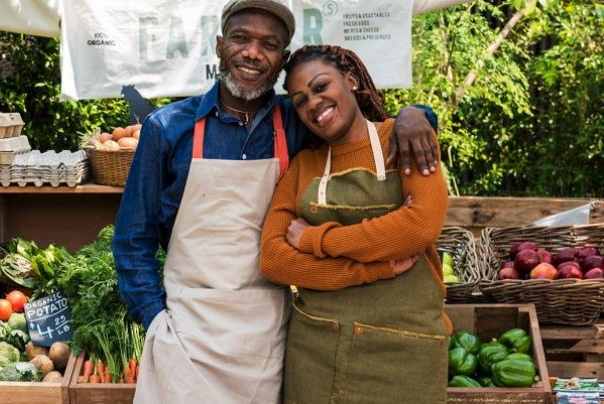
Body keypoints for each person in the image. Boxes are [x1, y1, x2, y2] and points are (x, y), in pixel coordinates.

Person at [112, 1, 439, 402]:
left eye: (268, 45)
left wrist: (416, 114)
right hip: (185, 334)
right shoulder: (168, 128)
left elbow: (357, 120)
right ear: (220, 46)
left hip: (266, 340)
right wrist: (154, 319)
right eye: (241, 38)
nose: (252, 52)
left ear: (282, 60)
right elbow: (132, 238)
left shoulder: (298, 122)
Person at [259, 44, 451, 404]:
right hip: (315, 353)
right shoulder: (303, 166)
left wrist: (314, 240)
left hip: (402, 353)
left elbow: (420, 226)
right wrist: (370, 269)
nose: (313, 103)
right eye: (300, 101)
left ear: (351, 80)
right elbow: (274, 260)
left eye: (320, 87)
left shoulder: (405, 140)